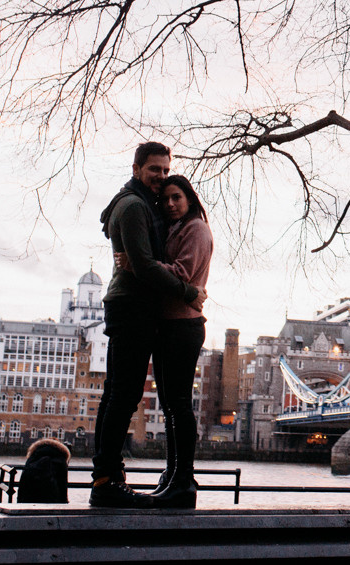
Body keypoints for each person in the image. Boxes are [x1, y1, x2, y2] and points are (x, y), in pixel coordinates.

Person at [91, 142, 207, 509]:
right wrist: (190, 292)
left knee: (123, 395)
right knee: (122, 395)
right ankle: (108, 479)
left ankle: (119, 477)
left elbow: (145, 262)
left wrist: (142, 264)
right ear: (137, 168)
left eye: (165, 170)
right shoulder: (135, 205)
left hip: (149, 313)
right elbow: (144, 264)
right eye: (154, 170)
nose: (160, 177)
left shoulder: (152, 209)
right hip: (133, 309)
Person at [148, 174, 213, 509]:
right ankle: (172, 475)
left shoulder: (196, 229)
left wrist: (142, 266)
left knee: (180, 406)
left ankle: (183, 480)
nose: (171, 204)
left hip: (184, 326)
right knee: (171, 406)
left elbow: (181, 273)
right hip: (167, 325)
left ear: (189, 198)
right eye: (166, 200)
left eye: (177, 197)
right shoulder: (175, 228)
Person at [17, 437, 71, 504]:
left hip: (28, 499)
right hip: (52, 501)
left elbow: (23, 482)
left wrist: (19, 502)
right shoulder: (61, 458)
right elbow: (62, 486)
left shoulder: (33, 456)